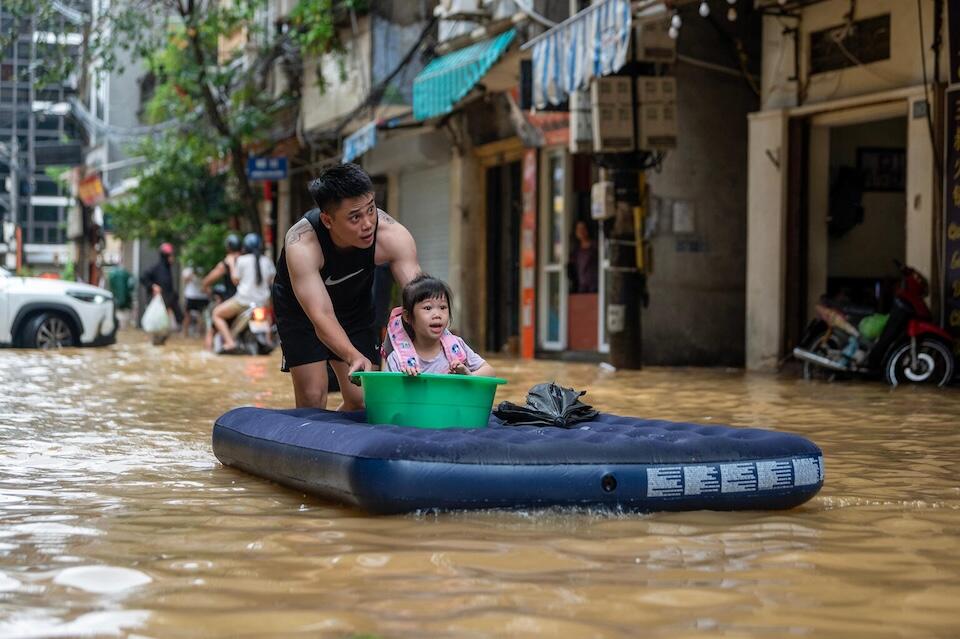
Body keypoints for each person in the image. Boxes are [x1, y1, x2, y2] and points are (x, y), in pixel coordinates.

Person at [272, 162, 420, 410]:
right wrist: (352, 355)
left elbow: (420, 299)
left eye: (371, 209)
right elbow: (321, 316)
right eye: (355, 217)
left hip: (355, 306)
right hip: (302, 311)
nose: (368, 223)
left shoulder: (393, 236)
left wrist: (445, 347)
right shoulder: (302, 244)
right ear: (328, 220)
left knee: (364, 400)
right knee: (313, 396)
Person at [383, 274, 495, 377]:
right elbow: (385, 392)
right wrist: (403, 380)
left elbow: (490, 372)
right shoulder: (398, 359)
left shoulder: (457, 346)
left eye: (442, 307)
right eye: (428, 308)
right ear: (408, 317)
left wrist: (469, 375)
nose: (437, 314)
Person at [212, 233, 276, 352]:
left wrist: (231, 264)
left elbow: (235, 280)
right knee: (267, 313)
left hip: (243, 301)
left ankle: (230, 342)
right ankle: (268, 340)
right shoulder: (267, 261)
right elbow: (271, 281)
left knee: (216, 313)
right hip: (262, 302)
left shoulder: (241, 260)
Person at [140, 242, 182, 330]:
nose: (173, 258)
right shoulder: (157, 268)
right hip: (160, 300)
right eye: (171, 256)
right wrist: (153, 286)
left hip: (169, 300)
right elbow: (143, 278)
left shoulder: (168, 269)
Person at [202, 234, 241, 300]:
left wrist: (211, 293)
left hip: (234, 299)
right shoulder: (247, 259)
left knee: (216, 311)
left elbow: (206, 282)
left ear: (228, 248)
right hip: (252, 299)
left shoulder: (227, 263)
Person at [568, 220, 598, 293]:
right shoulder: (575, 250)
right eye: (578, 229)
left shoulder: (595, 246)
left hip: (595, 286)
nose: (580, 231)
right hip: (581, 287)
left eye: (583, 228)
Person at [181, 266, 209, 337]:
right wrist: (192, 273)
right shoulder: (189, 268)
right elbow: (185, 280)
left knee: (200, 315)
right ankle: (185, 333)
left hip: (201, 296)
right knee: (187, 314)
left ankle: (199, 333)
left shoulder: (205, 267)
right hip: (190, 295)